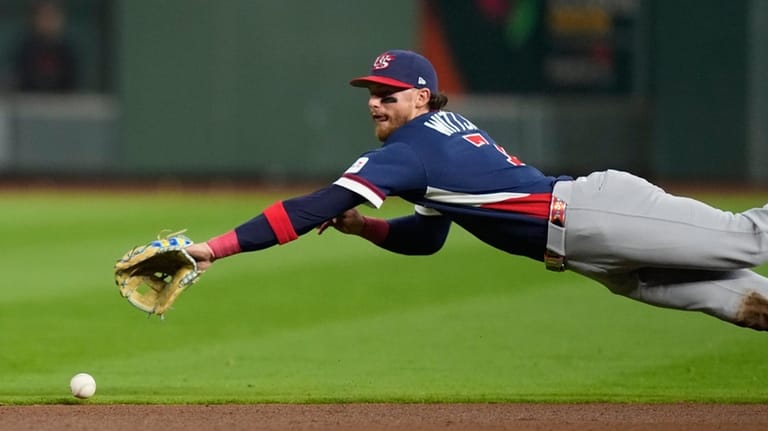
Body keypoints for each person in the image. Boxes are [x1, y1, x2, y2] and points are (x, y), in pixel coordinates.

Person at [185, 49, 768, 332]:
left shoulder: (409, 151)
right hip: (591, 254)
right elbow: (429, 238)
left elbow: (312, 206)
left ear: (419, 98)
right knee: (742, 303)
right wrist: (367, 228)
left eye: (387, 93)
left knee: (748, 237)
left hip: (596, 214)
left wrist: (213, 248)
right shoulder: (437, 137)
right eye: (370, 91)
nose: (373, 101)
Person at [12, 0, 78, 93]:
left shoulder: (68, 51)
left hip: (63, 103)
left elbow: (72, 85)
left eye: (53, 17)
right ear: (35, 19)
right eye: (45, 16)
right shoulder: (24, 49)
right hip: (30, 102)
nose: (49, 22)